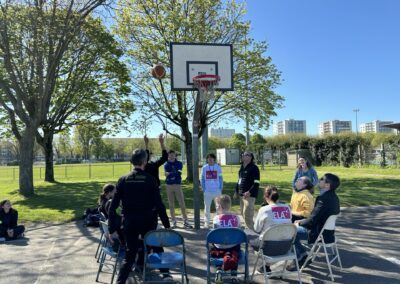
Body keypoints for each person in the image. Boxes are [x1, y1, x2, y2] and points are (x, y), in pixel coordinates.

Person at [108, 149, 171, 283]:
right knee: (156, 244)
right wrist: (167, 225)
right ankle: (166, 274)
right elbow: (159, 205)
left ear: (132, 162)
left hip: (130, 223)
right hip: (147, 222)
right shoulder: (150, 179)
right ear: (144, 162)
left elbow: (113, 207)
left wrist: (111, 229)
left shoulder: (123, 179)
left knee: (129, 256)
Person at [287, 173, 341, 271]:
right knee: (292, 227)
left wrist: (299, 223)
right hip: (328, 234)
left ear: (327, 185)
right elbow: (315, 218)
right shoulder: (334, 197)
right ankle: (303, 256)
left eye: (322, 179)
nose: (319, 180)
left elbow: (312, 222)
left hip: (318, 234)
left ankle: (302, 256)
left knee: (287, 231)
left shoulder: (323, 199)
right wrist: (303, 220)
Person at [252, 186, 292, 273]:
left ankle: (265, 266)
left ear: (265, 197)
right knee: (274, 236)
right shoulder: (287, 208)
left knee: (251, 240)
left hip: (268, 248)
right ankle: (266, 266)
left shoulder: (264, 210)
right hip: (286, 247)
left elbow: (257, 229)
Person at [211, 195, 241, 272]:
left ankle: (218, 268)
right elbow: (239, 231)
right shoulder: (237, 218)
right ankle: (234, 272)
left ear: (220, 206)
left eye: (217, 206)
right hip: (234, 247)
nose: (216, 208)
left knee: (213, 243)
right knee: (237, 242)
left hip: (220, 247)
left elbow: (214, 233)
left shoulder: (216, 218)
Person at [164, 150, 192, 229]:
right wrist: (172, 174)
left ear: (175, 155)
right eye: (170, 155)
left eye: (173, 154)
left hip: (177, 185)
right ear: (168, 156)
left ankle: (185, 221)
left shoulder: (179, 163)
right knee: (171, 204)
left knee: (182, 203)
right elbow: (167, 175)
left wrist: (170, 174)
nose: (172, 156)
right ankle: (173, 221)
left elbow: (179, 173)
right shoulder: (166, 164)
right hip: (169, 185)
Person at [234, 151, 260, 231]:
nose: (245, 156)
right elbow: (239, 180)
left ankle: (252, 233)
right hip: (241, 194)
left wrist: (249, 192)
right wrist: (236, 191)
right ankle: (248, 230)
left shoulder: (254, 168)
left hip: (250, 195)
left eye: (247, 155)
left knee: (247, 214)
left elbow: (257, 182)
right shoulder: (242, 167)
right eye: (244, 155)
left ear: (251, 157)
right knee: (243, 213)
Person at [201, 153, 223, 229]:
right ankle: (206, 223)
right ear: (207, 159)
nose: (210, 159)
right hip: (208, 191)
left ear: (214, 159)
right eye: (208, 158)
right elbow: (202, 178)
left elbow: (220, 178)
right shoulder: (204, 168)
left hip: (217, 190)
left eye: (211, 158)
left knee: (218, 207)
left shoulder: (218, 167)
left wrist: (220, 188)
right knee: (207, 207)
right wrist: (204, 188)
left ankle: (218, 222)